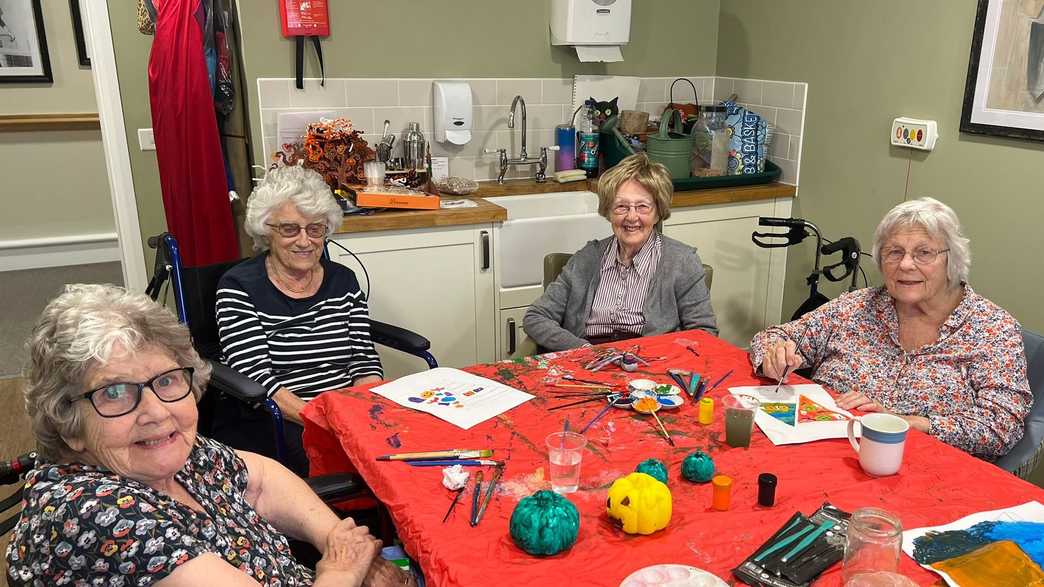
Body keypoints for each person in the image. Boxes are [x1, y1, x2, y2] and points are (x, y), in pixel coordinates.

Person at [6, 284, 412, 586]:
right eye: (114, 392)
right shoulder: (95, 514)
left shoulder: (169, 452)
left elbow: (261, 481)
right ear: (67, 420)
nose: (156, 412)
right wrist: (344, 568)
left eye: (165, 380)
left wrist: (335, 538)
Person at [750, 197, 1031, 459]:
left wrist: (914, 424)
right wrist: (775, 355)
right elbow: (775, 336)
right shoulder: (855, 307)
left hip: (926, 475)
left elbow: (1002, 425)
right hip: (819, 453)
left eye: (924, 253)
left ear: (952, 260)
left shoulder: (993, 329)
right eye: (894, 252)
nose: (906, 264)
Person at [216, 164, 382, 475]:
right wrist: (320, 421)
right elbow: (257, 377)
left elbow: (363, 359)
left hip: (343, 410)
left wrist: (363, 410)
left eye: (315, 228)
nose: (304, 241)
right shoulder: (239, 286)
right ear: (267, 230)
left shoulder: (343, 281)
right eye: (290, 229)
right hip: (281, 416)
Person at [524, 153, 717, 350]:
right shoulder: (587, 258)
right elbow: (536, 317)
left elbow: (704, 333)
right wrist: (583, 350)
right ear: (608, 210)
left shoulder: (682, 261)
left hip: (650, 368)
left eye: (642, 206)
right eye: (621, 206)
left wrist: (657, 358)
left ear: (658, 211)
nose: (631, 217)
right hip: (586, 362)